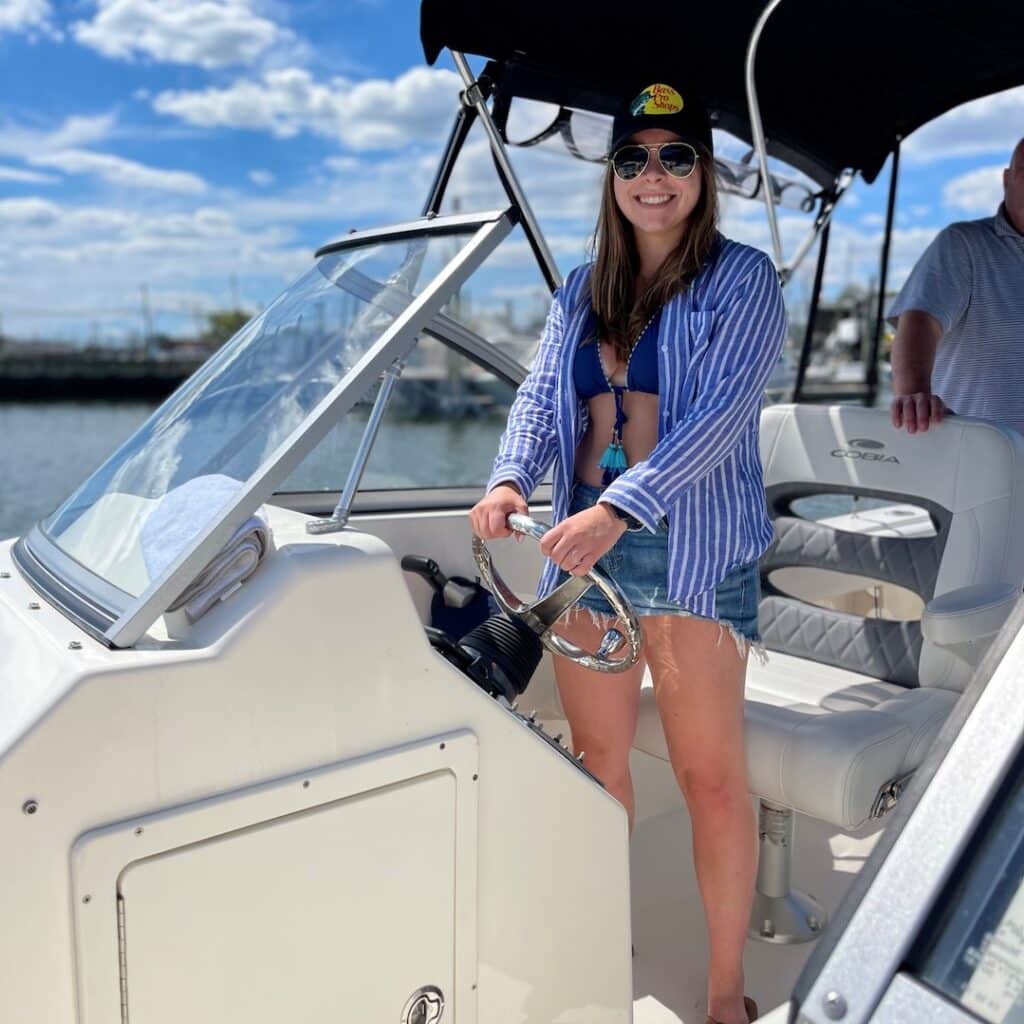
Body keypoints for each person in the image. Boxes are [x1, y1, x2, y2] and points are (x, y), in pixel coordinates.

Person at [470, 82, 786, 1024]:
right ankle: (604, 951)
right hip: (584, 563)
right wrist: (508, 479)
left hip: (687, 559)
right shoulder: (580, 288)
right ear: (611, 177)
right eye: (634, 159)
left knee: (710, 781)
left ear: (705, 174)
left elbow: (722, 420)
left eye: (676, 156)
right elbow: (537, 401)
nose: (655, 177)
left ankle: (724, 989)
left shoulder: (745, 280)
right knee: (599, 763)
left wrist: (618, 507)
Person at [888, 137, 1024, 435]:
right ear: (1006, 180)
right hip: (977, 468)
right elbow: (921, 321)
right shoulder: (963, 245)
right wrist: (913, 395)